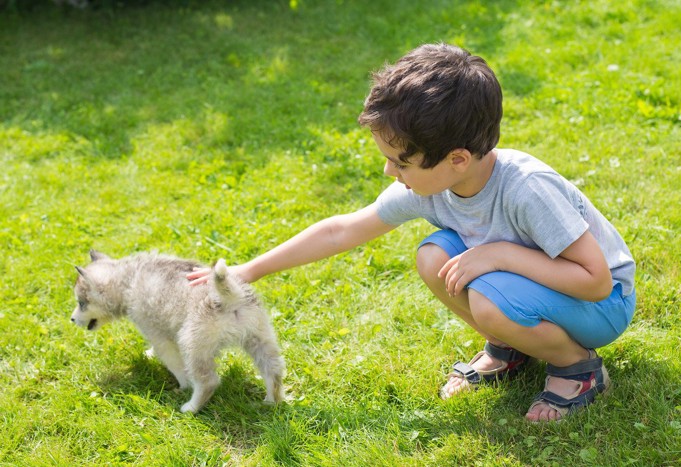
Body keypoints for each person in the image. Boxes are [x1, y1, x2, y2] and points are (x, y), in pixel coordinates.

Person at [188, 43, 636, 422]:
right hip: (531, 289)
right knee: (432, 256)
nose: (389, 170)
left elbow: (596, 281)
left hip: (603, 304)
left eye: (401, 161)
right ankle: (509, 348)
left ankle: (578, 368)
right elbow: (341, 231)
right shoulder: (431, 185)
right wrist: (249, 271)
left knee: (487, 294)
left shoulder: (526, 189)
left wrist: (500, 254)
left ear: (457, 159)